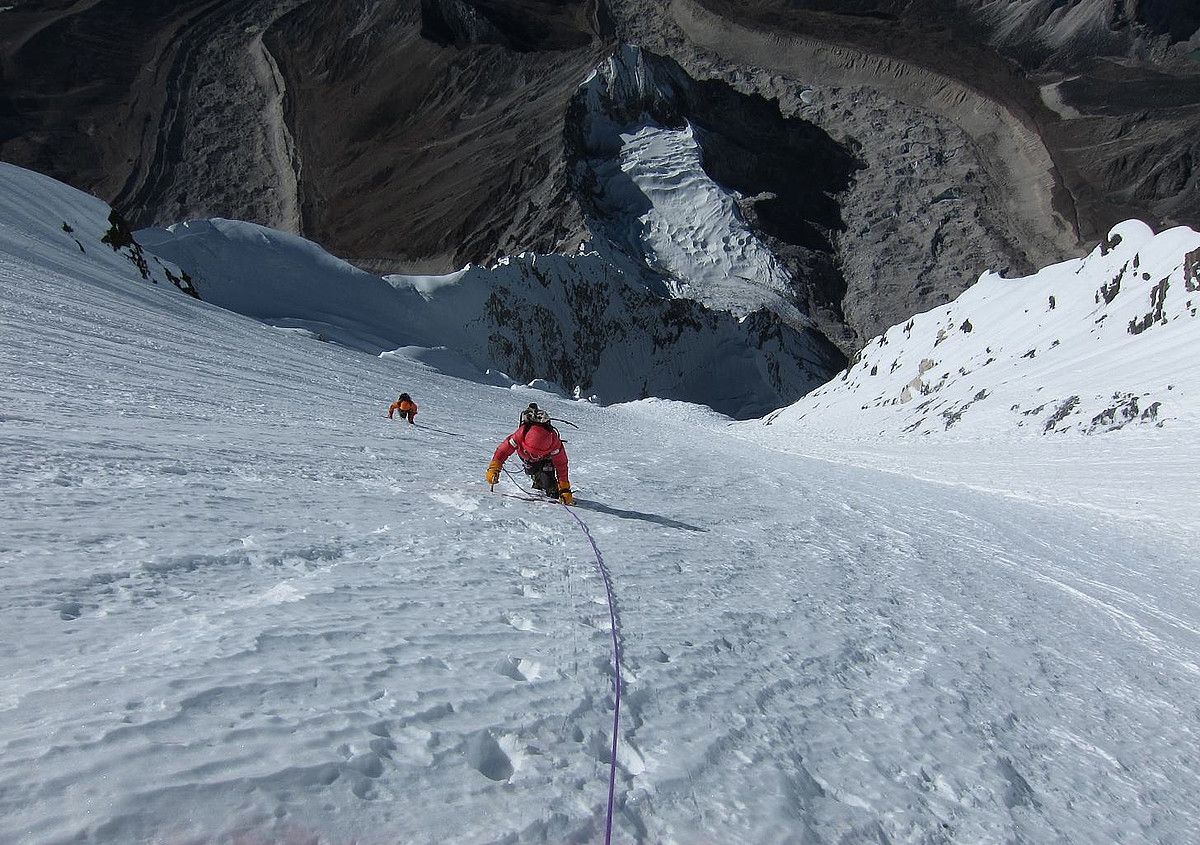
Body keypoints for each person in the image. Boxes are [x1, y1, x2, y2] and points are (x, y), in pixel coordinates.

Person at [486, 403, 574, 505]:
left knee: (550, 486)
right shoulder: (519, 436)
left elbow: (561, 465)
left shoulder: (555, 443)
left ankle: (545, 481)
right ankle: (537, 478)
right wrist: (493, 468)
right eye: (532, 453)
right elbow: (503, 451)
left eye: (538, 454)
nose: (535, 456)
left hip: (545, 460)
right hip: (526, 458)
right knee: (532, 470)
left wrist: (564, 489)